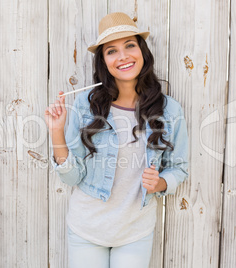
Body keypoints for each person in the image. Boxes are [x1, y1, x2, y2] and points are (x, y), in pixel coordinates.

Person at [44, 12, 189, 268]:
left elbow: (180, 168)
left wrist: (161, 183)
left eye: (130, 45)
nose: (122, 56)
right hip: (86, 228)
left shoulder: (170, 110)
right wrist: (56, 132)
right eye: (112, 51)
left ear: (142, 51)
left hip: (135, 231)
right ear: (104, 62)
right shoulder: (85, 105)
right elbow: (71, 177)